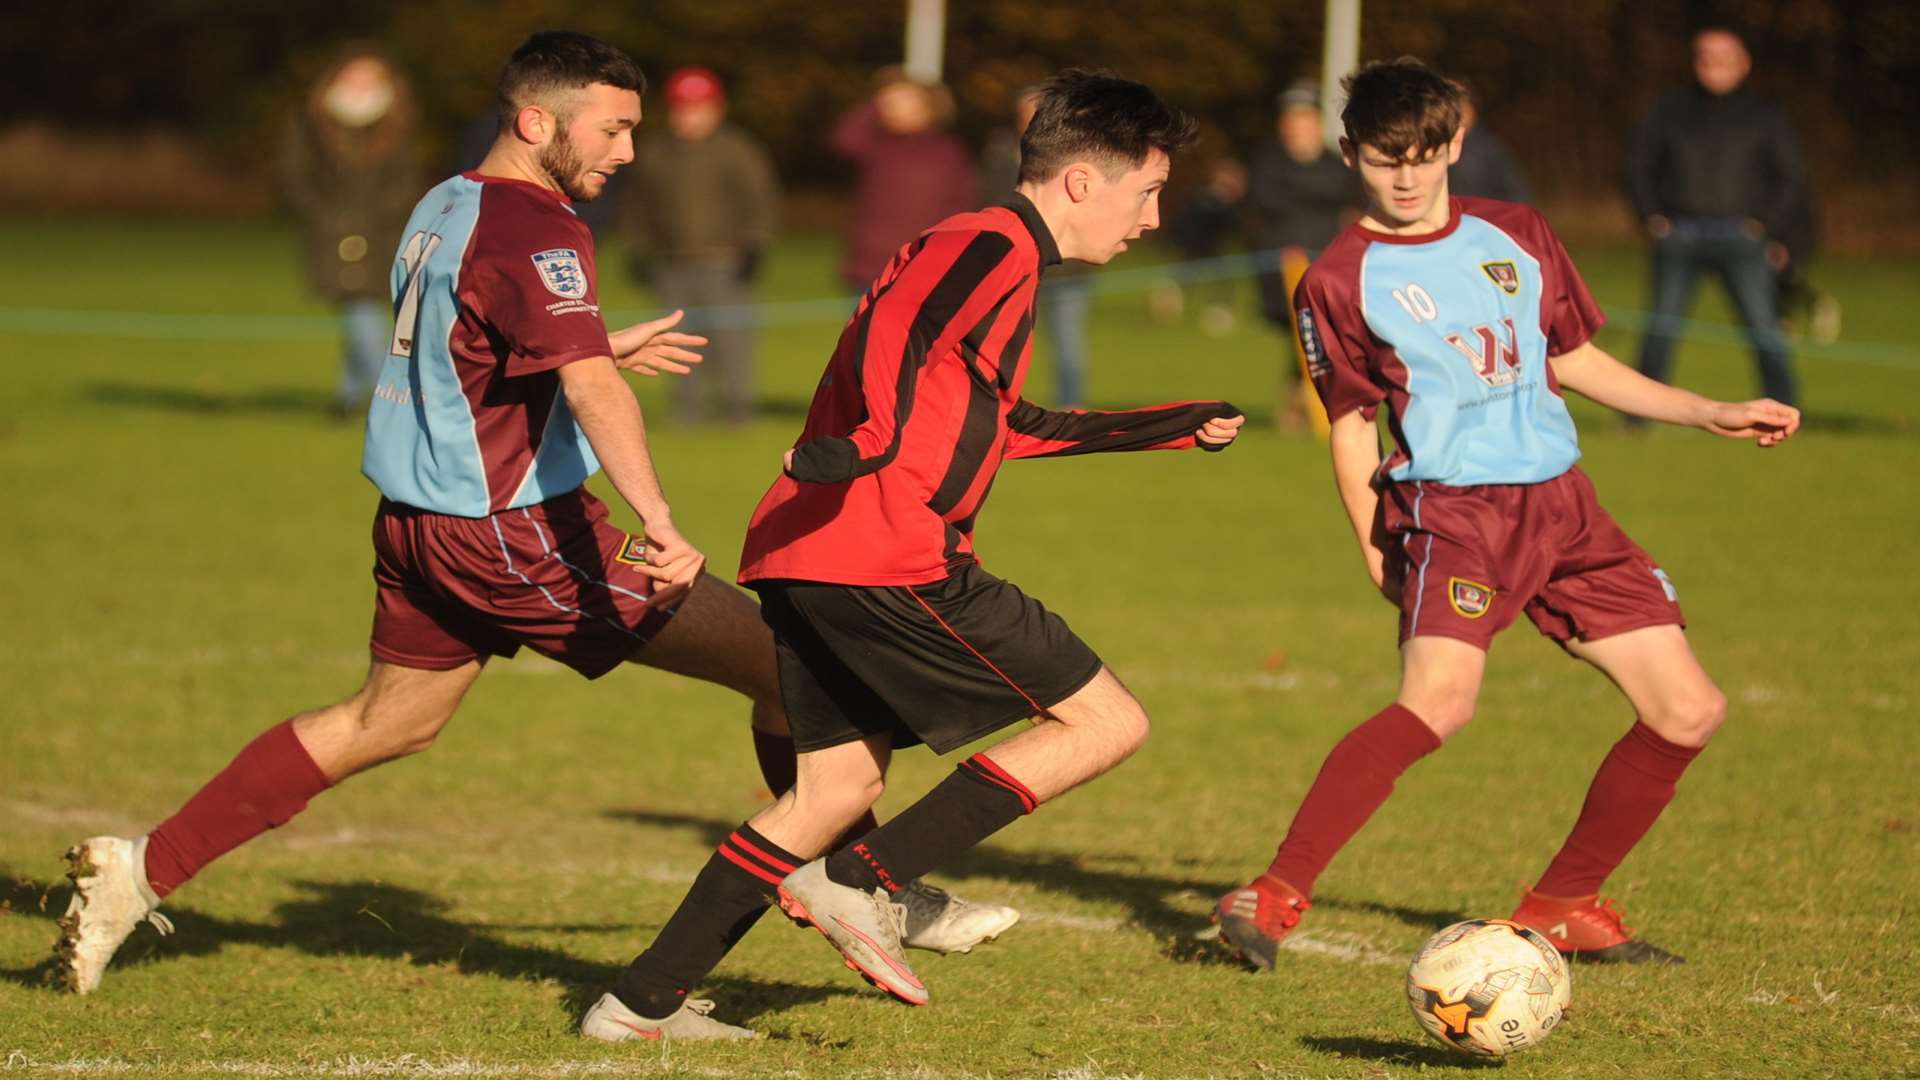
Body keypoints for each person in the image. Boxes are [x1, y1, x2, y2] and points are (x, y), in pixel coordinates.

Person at [54, 30, 1006, 1006]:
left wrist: (585, 346)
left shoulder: (446, 202)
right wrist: (659, 513)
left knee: (387, 722)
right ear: (536, 120)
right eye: (614, 128)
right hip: (516, 533)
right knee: (796, 666)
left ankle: (141, 868)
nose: (628, 152)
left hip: (421, 525)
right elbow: (588, 387)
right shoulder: (540, 228)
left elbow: (469, 350)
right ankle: (856, 885)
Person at [581, 69, 1243, 1043]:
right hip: (886, 551)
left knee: (834, 790)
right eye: (1146, 191)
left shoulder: (993, 258)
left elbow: (1006, 423)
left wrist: (1167, 426)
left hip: (814, 549)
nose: (1151, 217)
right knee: (1104, 722)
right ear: (1078, 183)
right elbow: (891, 337)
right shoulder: (990, 243)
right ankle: (865, 882)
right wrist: (870, 441)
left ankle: (638, 1005)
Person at [1211, 58, 1799, 974]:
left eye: (1422, 154)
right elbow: (1351, 422)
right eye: (1381, 157)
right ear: (1348, 154)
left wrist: (1707, 409)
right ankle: (1274, 894)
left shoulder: (1516, 232)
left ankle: (1563, 904)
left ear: (1454, 144)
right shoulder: (1339, 276)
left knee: (1688, 710)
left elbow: (1575, 360)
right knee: (1438, 704)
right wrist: (1372, 538)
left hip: (1566, 508)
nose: (1404, 176)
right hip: (1456, 514)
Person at [1627, 26, 1806, 407]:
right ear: (1695, 62)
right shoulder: (1668, 111)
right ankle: (1637, 413)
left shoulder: (1764, 116)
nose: (1715, 67)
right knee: (1661, 327)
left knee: (1764, 327)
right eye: (1706, 57)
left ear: (1743, 64)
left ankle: (1783, 407)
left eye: (1725, 58)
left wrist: (1767, 224)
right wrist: (1651, 216)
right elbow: (1638, 165)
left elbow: (1789, 176)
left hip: (1741, 239)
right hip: (1679, 236)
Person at [622, 67, 780, 425]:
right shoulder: (655, 153)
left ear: (716, 110)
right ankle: (687, 410)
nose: (690, 116)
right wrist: (638, 249)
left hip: (724, 260)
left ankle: (737, 408)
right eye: (683, 108)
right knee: (676, 341)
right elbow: (637, 205)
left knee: (730, 339)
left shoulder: (738, 150)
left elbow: (759, 200)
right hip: (671, 263)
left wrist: (755, 245)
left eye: (699, 108)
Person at [278, 46, 424, 419]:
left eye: (369, 78)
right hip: (330, 234)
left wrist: (377, 218)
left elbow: (406, 182)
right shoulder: (313, 124)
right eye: (353, 76)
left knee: (362, 310)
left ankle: (374, 396)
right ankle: (359, 396)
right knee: (355, 309)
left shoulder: (398, 126)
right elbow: (294, 176)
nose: (360, 86)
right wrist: (325, 217)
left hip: (384, 235)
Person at [1246, 85, 1358, 432]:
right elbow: (1260, 205)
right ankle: (1305, 403)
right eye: (1291, 119)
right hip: (1283, 269)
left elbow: (1353, 202)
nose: (1297, 126)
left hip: (1329, 266)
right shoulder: (1268, 164)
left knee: (1322, 332)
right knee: (1305, 333)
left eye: (1304, 119)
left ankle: (1302, 403)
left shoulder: (1335, 164)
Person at [982, 85, 1093, 406]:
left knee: (1067, 342)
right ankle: (998, 406)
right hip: (1014, 264)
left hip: (1065, 268)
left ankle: (1070, 408)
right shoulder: (1001, 151)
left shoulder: (1079, 154)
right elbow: (990, 200)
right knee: (1002, 342)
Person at [830, 67, 978, 294]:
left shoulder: (948, 152)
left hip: (928, 264)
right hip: (872, 266)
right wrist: (876, 105)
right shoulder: (877, 146)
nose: (894, 107)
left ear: (928, 107)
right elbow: (843, 140)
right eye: (888, 101)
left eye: (905, 100)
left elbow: (961, 206)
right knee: (867, 330)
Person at [1449, 88, 1530, 203]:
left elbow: (1515, 188)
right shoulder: (1440, 147)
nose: (1459, 117)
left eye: (1462, 110)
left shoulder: (1489, 147)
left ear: (1472, 110)